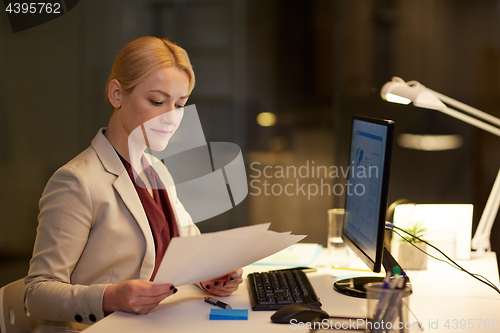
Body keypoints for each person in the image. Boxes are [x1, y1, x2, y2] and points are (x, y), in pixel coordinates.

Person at [24, 36, 243, 332]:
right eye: (156, 101)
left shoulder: (156, 171)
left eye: (179, 105)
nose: (171, 118)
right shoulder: (77, 180)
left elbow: (190, 250)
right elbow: (36, 294)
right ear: (117, 95)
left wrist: (211, 273)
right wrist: (110, 297)